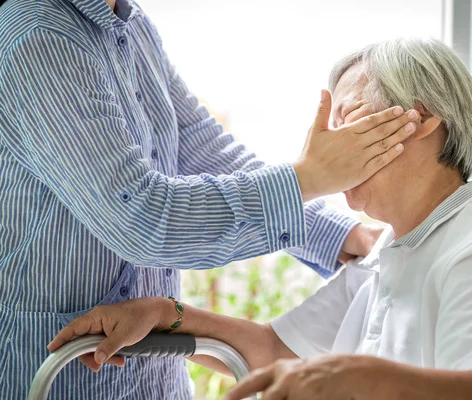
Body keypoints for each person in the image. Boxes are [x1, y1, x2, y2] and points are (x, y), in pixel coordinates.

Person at [51, 37, 472, 400]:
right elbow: (271, 351)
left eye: (348, 120)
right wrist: (161, 312)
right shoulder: (391, 255)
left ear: (421, 119)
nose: (328, 149)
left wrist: (350, 374)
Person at [0, 0, 421, 398]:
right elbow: (142, 217)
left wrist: (339, 232)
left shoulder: (131, 24)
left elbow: (204, 150)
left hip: (155, 378)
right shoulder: (38, 36)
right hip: (66, 379)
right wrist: (306, 179)